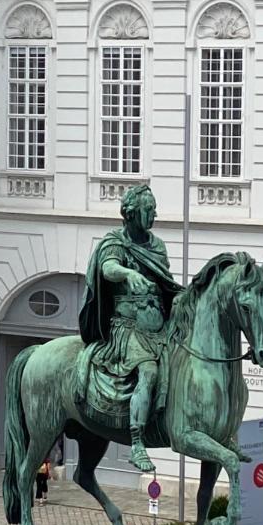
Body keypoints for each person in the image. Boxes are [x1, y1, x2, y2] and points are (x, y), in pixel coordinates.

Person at [78, 185, 182, 473]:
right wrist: (128, 273)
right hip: (126, 327)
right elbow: (108, 267)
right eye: (150, 209)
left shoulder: (157, 245)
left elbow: (165, 280)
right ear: (132, 213)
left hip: (159, 325)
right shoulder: (115, 241)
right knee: (148, 371)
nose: (155, 214)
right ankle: (136, 443)